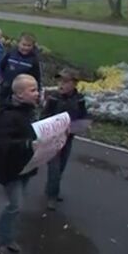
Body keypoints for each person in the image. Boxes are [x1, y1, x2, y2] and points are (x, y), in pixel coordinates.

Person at [0, 74, 40, 254]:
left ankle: (8, 236)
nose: (37, 93)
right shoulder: (8, 115)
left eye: (37, 88)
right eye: (32, 90)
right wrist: (26, 145)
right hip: (11, 170)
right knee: (14, 206)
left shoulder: (30, 111)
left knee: (17, 205)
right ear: (18, 94)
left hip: (26, 167)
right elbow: (0, 144)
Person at [42, 68, 87, 211]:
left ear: (74, 83)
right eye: (60, 81)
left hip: (68, 138)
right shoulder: (54, 98)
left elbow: (83, 116)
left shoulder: (79, 99)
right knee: (54, 167)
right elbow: (43, 116)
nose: (61, 84)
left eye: (66, 81)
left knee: (61, 166)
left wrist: (76, 127)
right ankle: (52, 196)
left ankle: (50, 187)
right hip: (53, 138)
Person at [0, 32, 42, 107]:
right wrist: (1, 81)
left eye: (29, 46)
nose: (26, 48)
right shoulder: (11, 53)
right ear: (18, 44)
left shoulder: (33, 60)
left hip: (22, 93)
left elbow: (37, 78)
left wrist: (37, 92)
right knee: (3, 108)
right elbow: (1, 67)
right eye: (24, 45)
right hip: (6, 88)